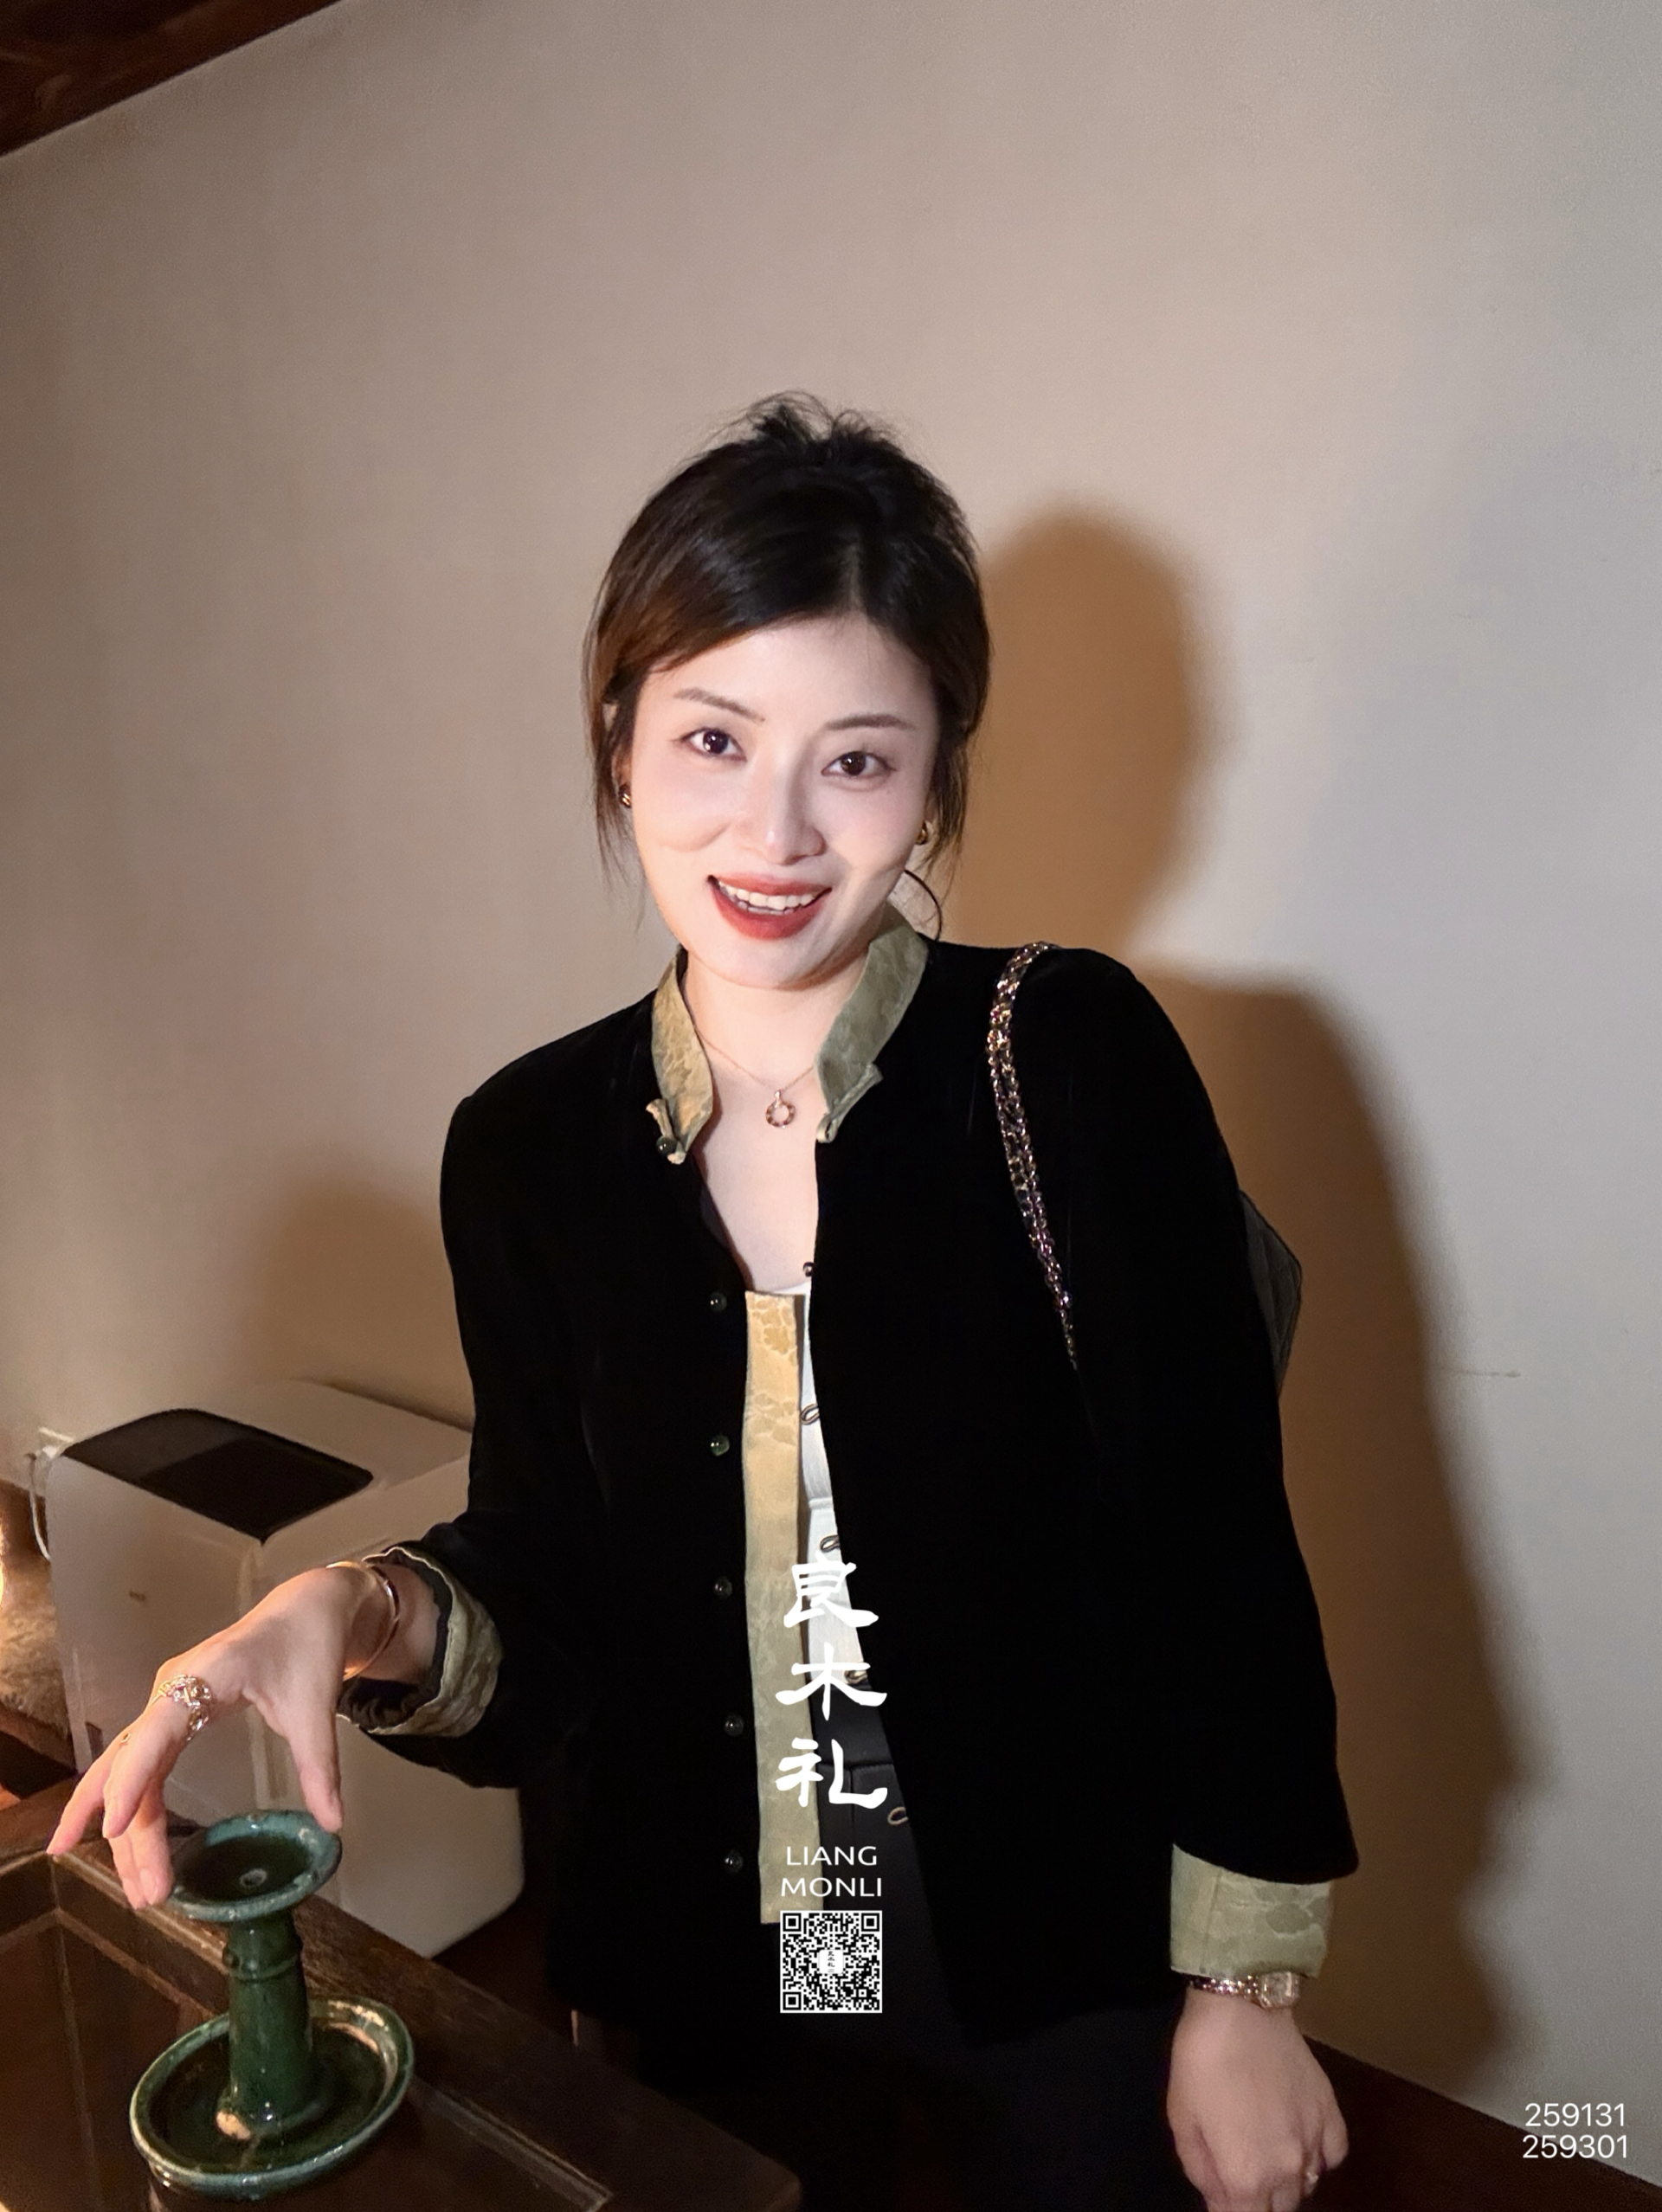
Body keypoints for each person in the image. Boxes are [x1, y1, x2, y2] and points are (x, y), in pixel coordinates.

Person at [49, 396, 1358, 2212]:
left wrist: (1245, 1990)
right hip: (708, 1962)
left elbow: (1214, 1547)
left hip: (1046, 1934)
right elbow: (555, 1579)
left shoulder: (1065, 1058)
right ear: (620, 744)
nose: (776, 829)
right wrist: (355, 1610)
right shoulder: (526, 1145)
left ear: (935, 776)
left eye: (858, 759)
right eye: (715, 739)